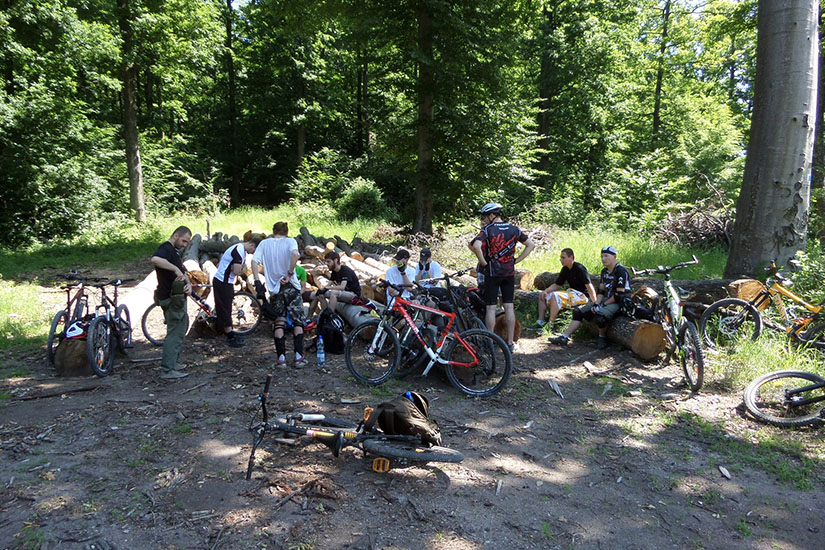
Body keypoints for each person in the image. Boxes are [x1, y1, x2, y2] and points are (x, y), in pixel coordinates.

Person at [470, 203, 535, 351]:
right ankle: (511, 343)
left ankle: (490, 342)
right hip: (509, 273)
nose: (484, 219)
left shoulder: (487, 230)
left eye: (485, 216)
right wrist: (516, 260)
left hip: (493, 273)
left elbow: (475, 246)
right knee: (509, 307)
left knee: (491, 308)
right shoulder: (514, 229)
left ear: (492, 215)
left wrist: (483, 262)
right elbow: (530, 245)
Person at [550, 246, 631, 349]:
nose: (603, 259)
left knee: (600, 316)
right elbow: (601, 291)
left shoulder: (621, 271)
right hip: (608, 298)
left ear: (614, 256)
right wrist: (596, 303)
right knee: (578, 312)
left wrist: (602, 306)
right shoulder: (604, 272)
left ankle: (602, 337)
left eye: (606, 256)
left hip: (620, 301)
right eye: (602, 256)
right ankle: (564, 337)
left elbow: (619, 294)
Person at [251, 222, 307, 368]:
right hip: (291, 286)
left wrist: (257, 281)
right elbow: (295, 254)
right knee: (298, 321)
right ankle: (298, 357)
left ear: (273, 231)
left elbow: (253, 261)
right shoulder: (290, 241)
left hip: (274, 288)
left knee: (279, 321)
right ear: (286, 232)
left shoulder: (264, 243)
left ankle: (281, 358)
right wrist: (289, 273)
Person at [151, 226, 193, 380]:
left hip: (178, 297)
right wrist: (175, 269)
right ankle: (167, 370)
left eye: (187, 242)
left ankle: (173, 363)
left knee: (181, 328)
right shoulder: (165, 248)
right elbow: (155, 259)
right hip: (170, 298)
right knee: (174, 334)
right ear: (175, 235)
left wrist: (187, 283)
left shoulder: (174, 251)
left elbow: (183, 271)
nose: (184, 244)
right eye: (183, 240)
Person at [212, 237, 262, 347]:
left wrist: (241, 268)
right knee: (224, 307)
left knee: (226, 306)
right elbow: (237, 271)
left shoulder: (242, 251)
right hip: (222, 281)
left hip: (227, 281)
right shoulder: (239, 250)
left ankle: (224, 329)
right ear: (252, 245)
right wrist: (242, 269)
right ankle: (230, 336)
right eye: (254, 251)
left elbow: (238, 269)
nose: (253, 253)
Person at [533, 248, 597, 331]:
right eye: (560, 257)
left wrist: (595, 302)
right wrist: (546, 291)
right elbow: (557, 284)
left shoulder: (580, 268)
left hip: (582, 296)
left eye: (563, 257)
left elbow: (589, 286)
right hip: (571, 293)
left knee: (556, 296)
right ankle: (540, 322)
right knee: (543, 295)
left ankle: (550, 325)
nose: (561, 260)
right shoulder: (565, 269)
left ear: (571, 257)